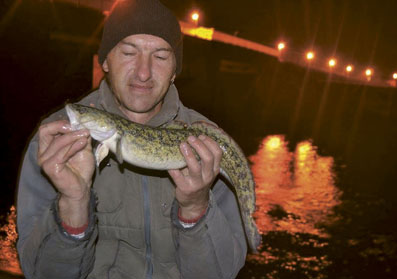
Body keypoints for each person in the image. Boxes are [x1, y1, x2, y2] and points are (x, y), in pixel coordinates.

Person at [16, 0, 250, 278]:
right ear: (105, 60)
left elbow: (222, 274)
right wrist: (74, 204)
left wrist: (196, 210)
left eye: (161, 57)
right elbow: (40, 273)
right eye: (128, 52)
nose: (143, 72)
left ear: (175, 70)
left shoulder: (206, 144)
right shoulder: (56, 141)